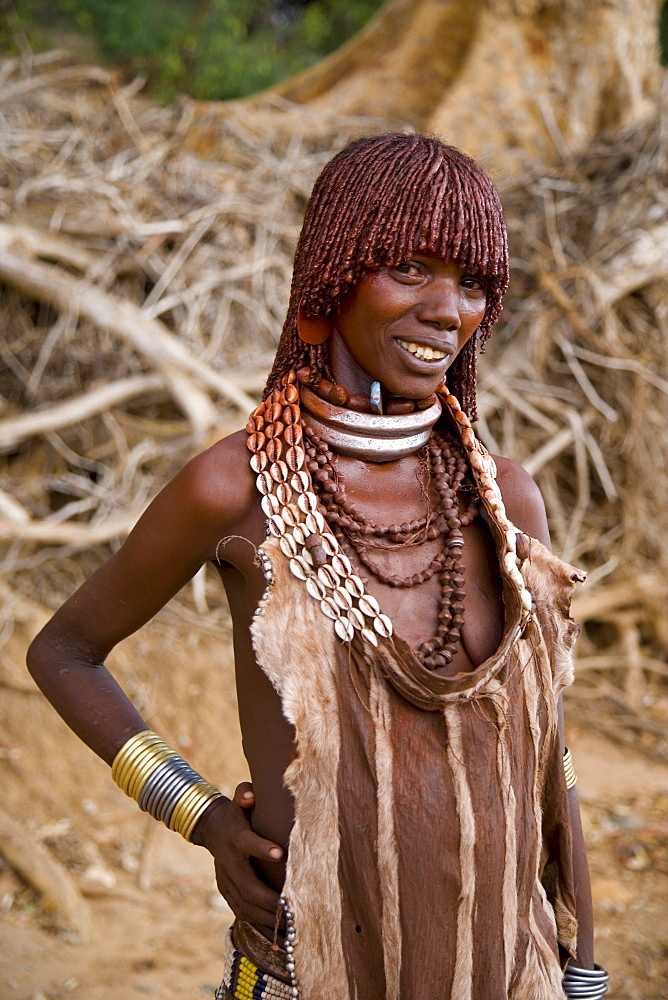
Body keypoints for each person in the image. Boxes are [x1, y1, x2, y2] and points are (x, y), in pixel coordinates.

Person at [27, 133, 609, 1000]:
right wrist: (206, 818)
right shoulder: (236, 490)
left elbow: (546, 750)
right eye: (410, 268)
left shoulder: (505, 502)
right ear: (331, 283)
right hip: (314, 965)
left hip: (503, 962)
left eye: (475, 283)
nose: (449, 309)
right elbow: (64, 652)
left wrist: (584, 958)